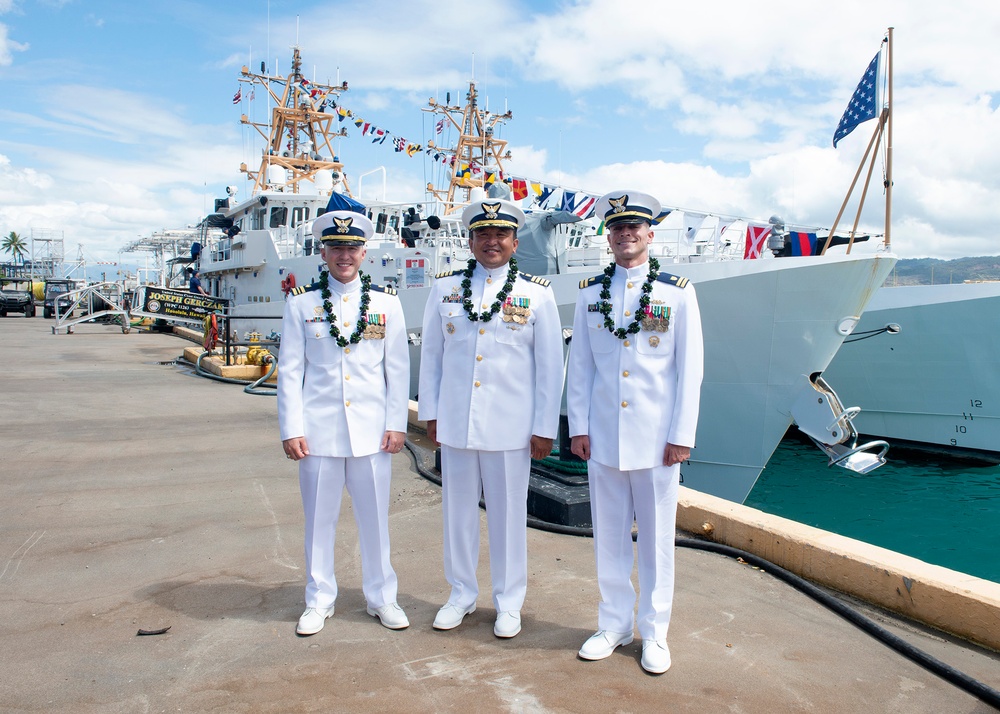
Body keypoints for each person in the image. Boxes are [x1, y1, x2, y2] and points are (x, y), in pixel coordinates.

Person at [567, 190, 704, 674]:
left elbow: (690, 370)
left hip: (656, 440)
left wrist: (681, 434)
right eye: (617, 228)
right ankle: (613, 624)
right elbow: (580, 367)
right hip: (603, 437)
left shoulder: (676, 292)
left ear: (650, 234)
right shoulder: (589, 294)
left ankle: (655, 631)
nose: (625, 235)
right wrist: (578, 428)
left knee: (656, 539)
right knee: (607, 535)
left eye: (634, 228)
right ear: (609, 236)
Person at [418, 198, 563, 638]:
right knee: (457, 513)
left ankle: (508, 602)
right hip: (458, 422)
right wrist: (431, 414)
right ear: (471, 241)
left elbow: (550, 366)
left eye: (500, 234)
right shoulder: (444, 290)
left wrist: (544, 427)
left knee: (507, 517)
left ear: (515, 242)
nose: (491, 241)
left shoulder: (537, 294)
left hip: (511, 428)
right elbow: (432, 356)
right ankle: (460, 593)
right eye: (483, 234)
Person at [277, 209, 410, 636]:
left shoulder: (387, 306)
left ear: (364, 252)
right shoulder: (302, 305)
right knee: (318, 522)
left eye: (352, 247)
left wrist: (397, 424)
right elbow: (289, 371)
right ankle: (318, 600)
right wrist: (291, 428)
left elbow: (397, 371)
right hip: (318, 434)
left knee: (375, 521)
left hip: (372, 433)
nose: (344, 255)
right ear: (323, 252)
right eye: (336, 247)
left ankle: (382, 598)